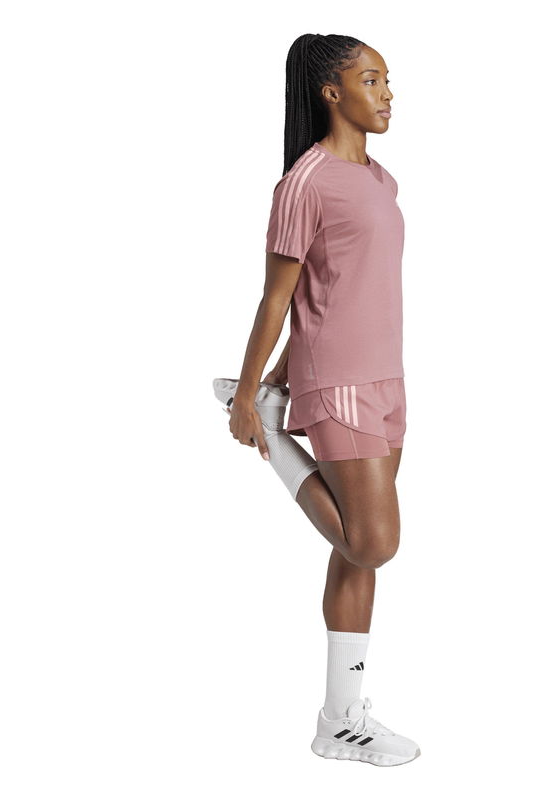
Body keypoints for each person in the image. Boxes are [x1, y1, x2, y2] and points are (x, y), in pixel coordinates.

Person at [213, 33, 420, 767]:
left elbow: (340, 287)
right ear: (333, 92)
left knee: (353, 554)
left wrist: (276, 376)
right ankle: (274, 435)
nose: (387, 93)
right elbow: (278, 297)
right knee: (373, 542)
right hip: (337, 383)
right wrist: (250, 394)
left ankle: (340, 720)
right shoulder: (304, 182)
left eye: (388, 79)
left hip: (386, 379)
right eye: (372, 80)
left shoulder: (380, 179)